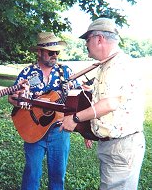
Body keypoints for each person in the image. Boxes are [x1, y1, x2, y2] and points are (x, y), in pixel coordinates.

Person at [59, 17, 146, 190]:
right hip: (115, 146)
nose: (86, 44)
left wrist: (74, 119)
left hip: (121, 147)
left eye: (87, 39)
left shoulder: (117, 65)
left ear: (99, 39)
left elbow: (109, 104)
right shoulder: (107, 65)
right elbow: (104, 98)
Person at [8, 32, 79, 190]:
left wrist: (74, 93)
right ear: (39, 52)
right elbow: (12, 98)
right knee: (32, 172)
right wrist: (20, 100)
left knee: (57, 175)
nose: (55, 55)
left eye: (57, 52)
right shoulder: (27, 73)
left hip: (59, 129)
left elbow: (78, 95)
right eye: (50, 52)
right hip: (33, 127)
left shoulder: (65, 72)